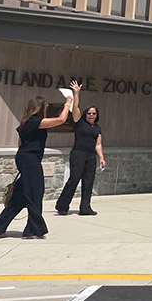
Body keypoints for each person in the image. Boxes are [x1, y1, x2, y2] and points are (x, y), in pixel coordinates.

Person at [0, 90, 74, 239]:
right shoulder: (35, 121)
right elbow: (61, 120)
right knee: (35, 194)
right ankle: (33, 231)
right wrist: (68, 102)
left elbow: (20, 143)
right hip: (30, 160)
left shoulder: (25, 122)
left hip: (25, 158)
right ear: (40, 108)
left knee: (21, 195)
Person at [55, 82, 105, 215]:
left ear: (96, 115)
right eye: (89, 113)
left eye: (94, 113)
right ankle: (62, 206)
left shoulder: (97, 128)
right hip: (78, 153)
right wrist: (76, 93)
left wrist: (101, 158)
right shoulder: (79, 122)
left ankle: (85, 208)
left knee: (88, 182)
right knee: (74, 179)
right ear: (85, 114)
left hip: (90, 156)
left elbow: (98, 144)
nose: (91, 115)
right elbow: (75, 107)